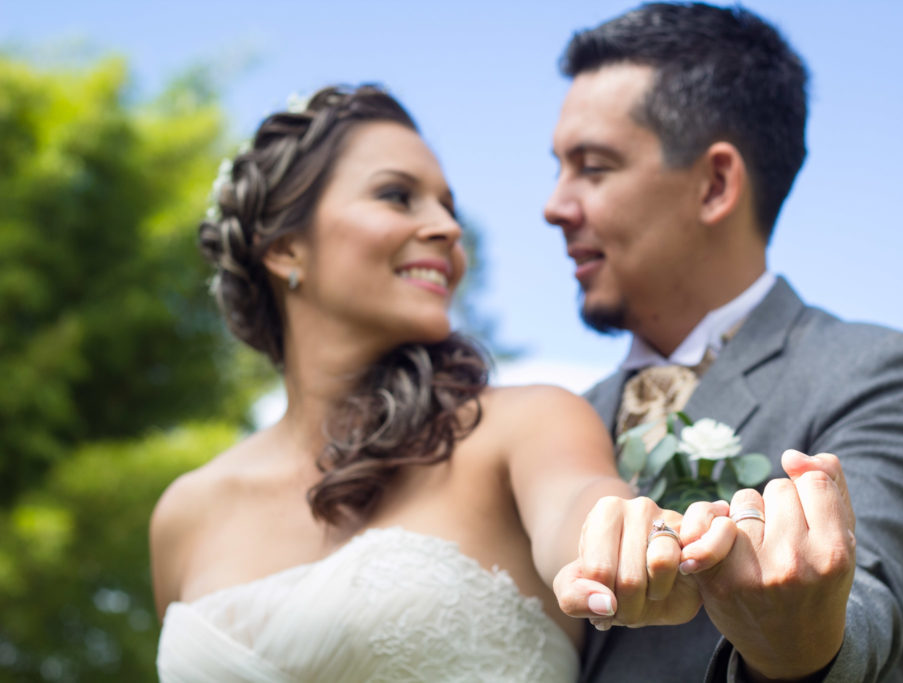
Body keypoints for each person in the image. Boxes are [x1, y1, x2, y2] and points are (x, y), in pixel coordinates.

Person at [149, 84, 736, 682]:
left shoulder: (525, 425)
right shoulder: (185, 515)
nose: (447, 228)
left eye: (448, 207)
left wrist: (628, 538)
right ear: (284, 248)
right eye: (397, 196)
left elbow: (579, 509)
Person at [544, 3, 903, 682]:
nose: (554, 205)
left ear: (716, 183)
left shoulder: (897, 374)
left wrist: (799, 642)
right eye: (558, 168)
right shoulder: (558, 424)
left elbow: (864, 606)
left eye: (594, 168)